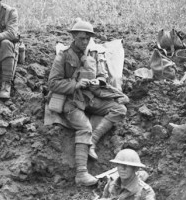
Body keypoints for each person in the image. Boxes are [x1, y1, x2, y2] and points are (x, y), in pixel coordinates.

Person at [47, 19, 128, 186]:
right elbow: (53, 83)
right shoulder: (63, 56)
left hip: (91, 98)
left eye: (88, 38)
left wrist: (98, 81)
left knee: (119, 109)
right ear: (74, 36)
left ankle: (94, 141)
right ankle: (81, 174)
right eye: (81, 38)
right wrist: (75, 85)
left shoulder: (95, 54)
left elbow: (102, 76)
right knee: (84, 127)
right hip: (72, 101)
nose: (85, 42)